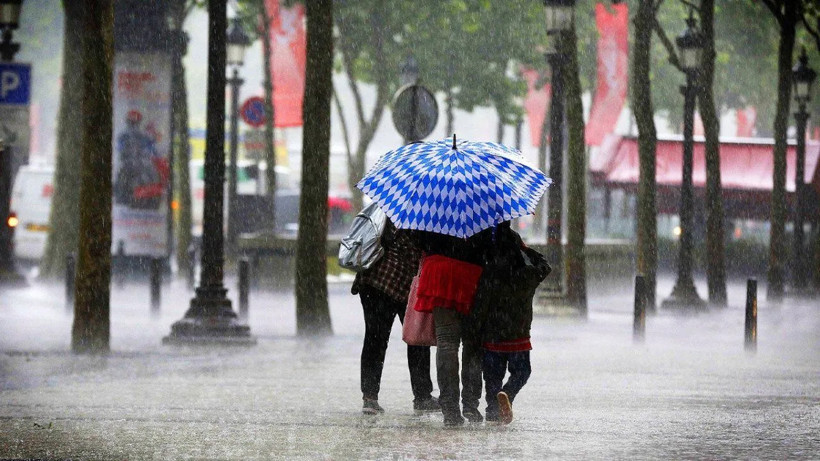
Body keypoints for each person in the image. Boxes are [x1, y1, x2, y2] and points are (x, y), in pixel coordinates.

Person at [351, 220, 439, 416]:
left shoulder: (392, 209)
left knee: (376, 339)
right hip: (393, 282)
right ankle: (421, 396)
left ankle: (370, 397)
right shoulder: (421, 219)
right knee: (415, 339)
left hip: (375, 280)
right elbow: (417, 252)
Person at [411, 228, 494, 426]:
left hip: (439, 270)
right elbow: (493, 243)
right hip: (472, 273)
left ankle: (450, 409)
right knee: (472, 345)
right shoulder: (483, 210)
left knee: (447, 342)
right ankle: (470, 404)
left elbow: (419, 239)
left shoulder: (431, 209)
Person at [472, 222, 550, 424]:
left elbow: (480, 303)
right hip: (518, 333)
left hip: (493, 334)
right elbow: (545, 266)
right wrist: (526, 249)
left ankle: (492, 411)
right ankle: (508, 393)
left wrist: (477, 328)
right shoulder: (528, 275)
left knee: (492, 377)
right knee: (522, 371)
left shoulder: (488, 273)